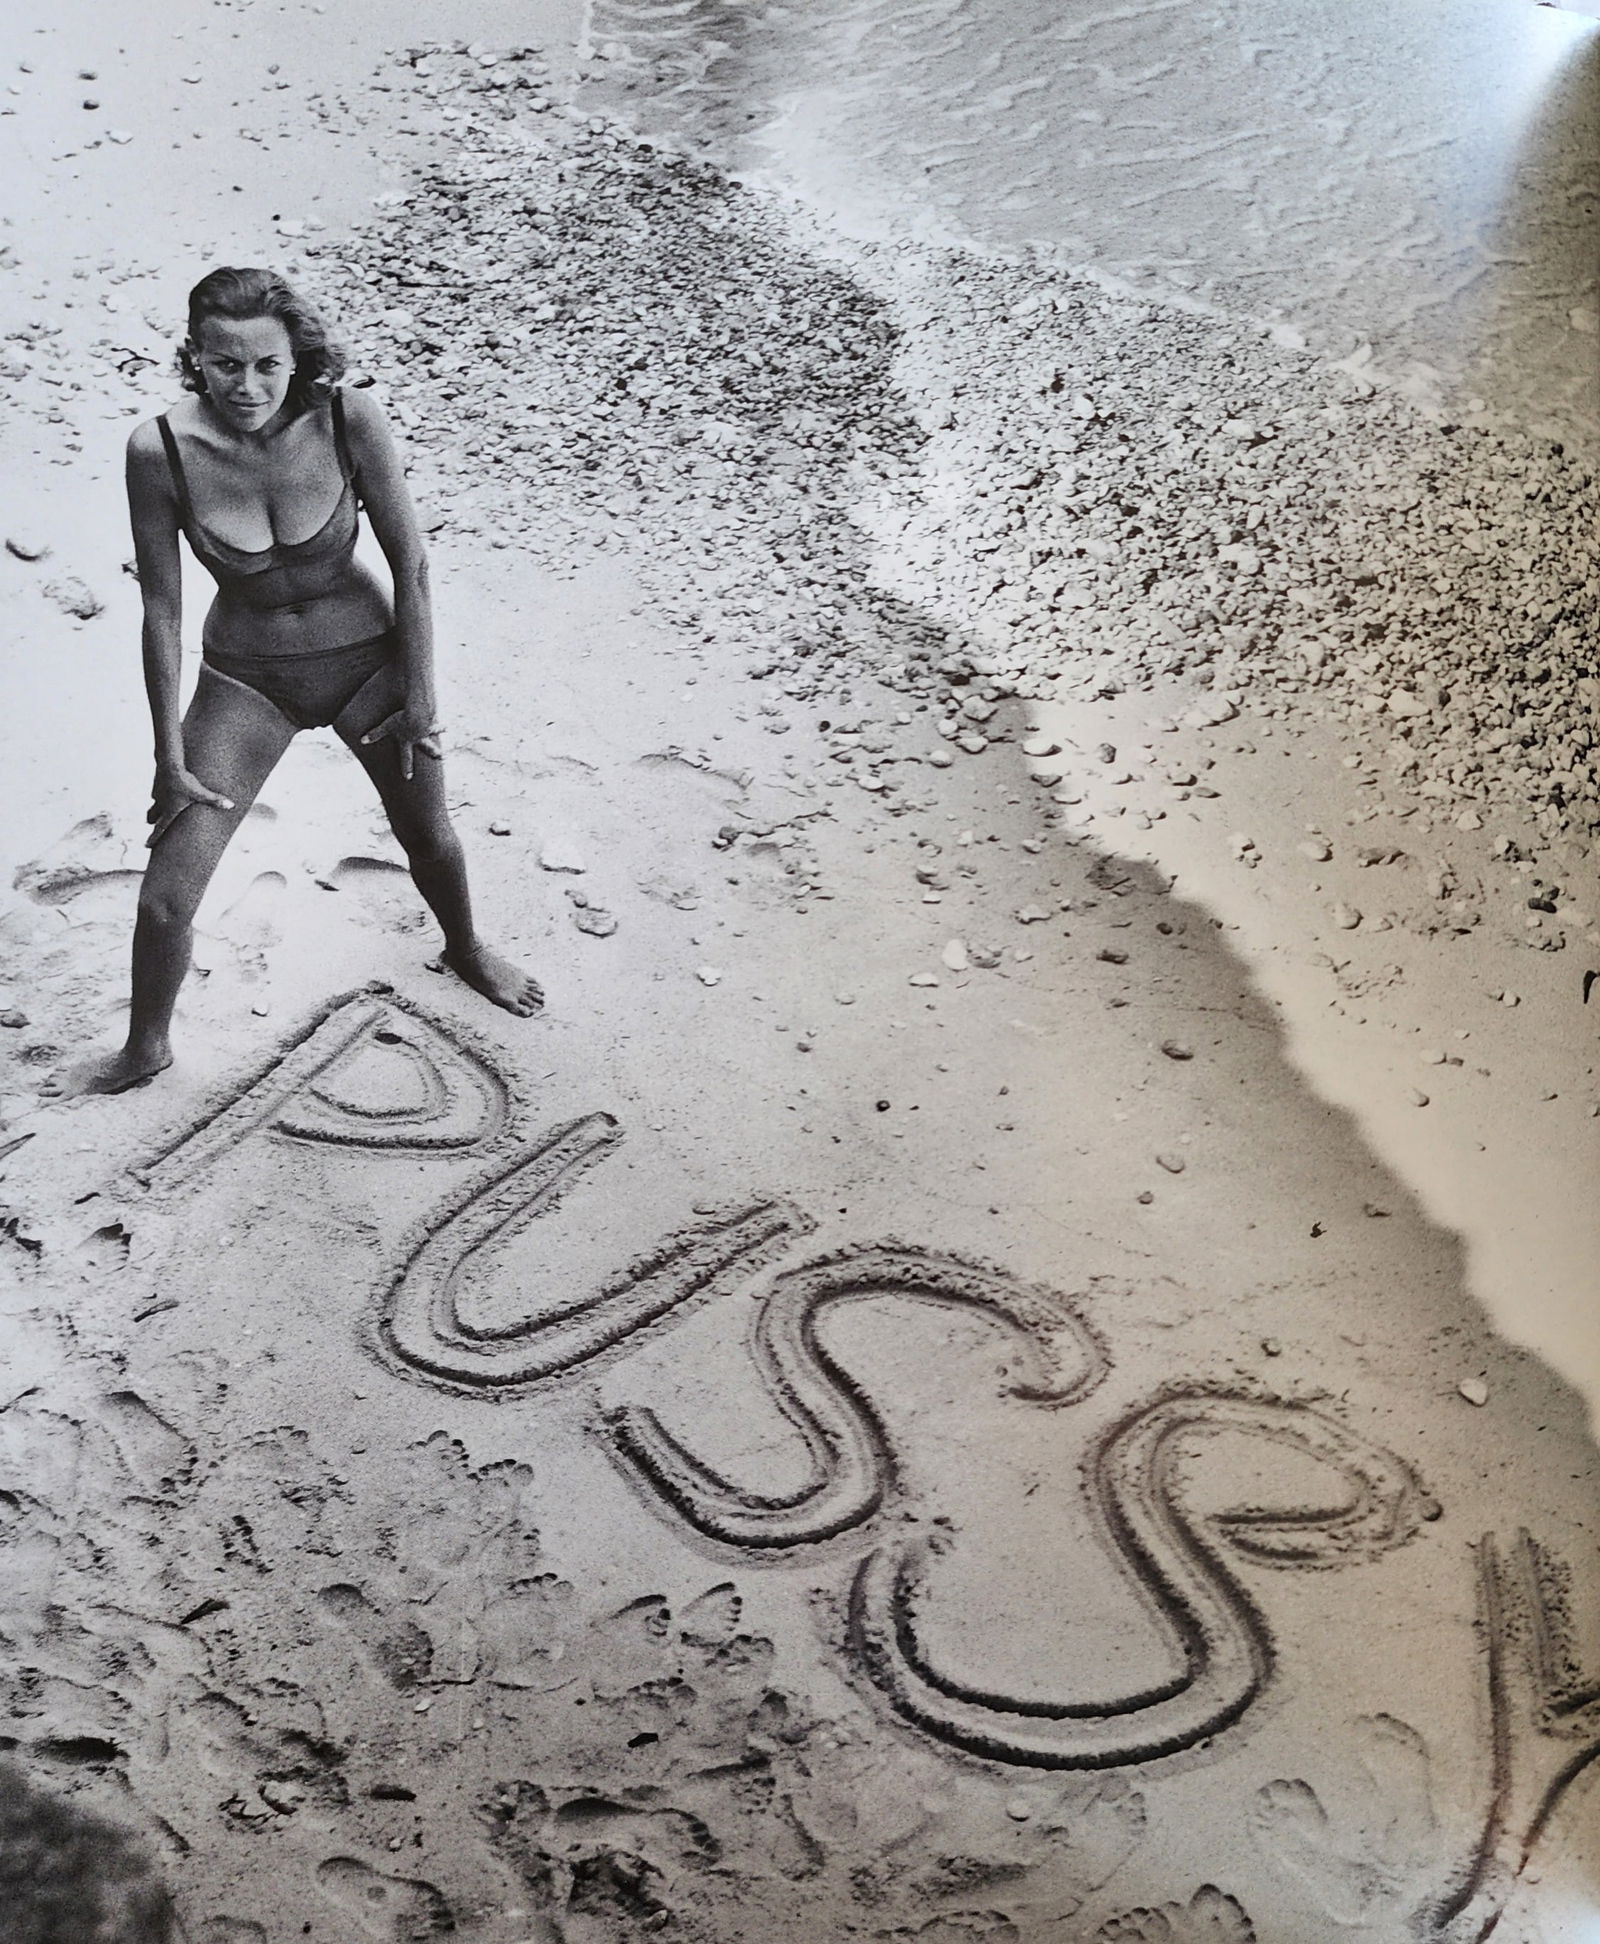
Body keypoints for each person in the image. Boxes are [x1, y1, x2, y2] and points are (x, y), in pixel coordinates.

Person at [46, 265, 541, 1099]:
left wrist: (422, 698)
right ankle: (145, 1047)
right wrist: (169, 756)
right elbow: (162, 610)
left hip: (369, 661)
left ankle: (465, 948)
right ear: (194, 356)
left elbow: (412, 566)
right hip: (247, 681)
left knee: (429, 837)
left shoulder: (349, 418)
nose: (247, 387)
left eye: (266, 365)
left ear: (295, 357)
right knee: (165, 897)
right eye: (225, 364)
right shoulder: (158, 451)